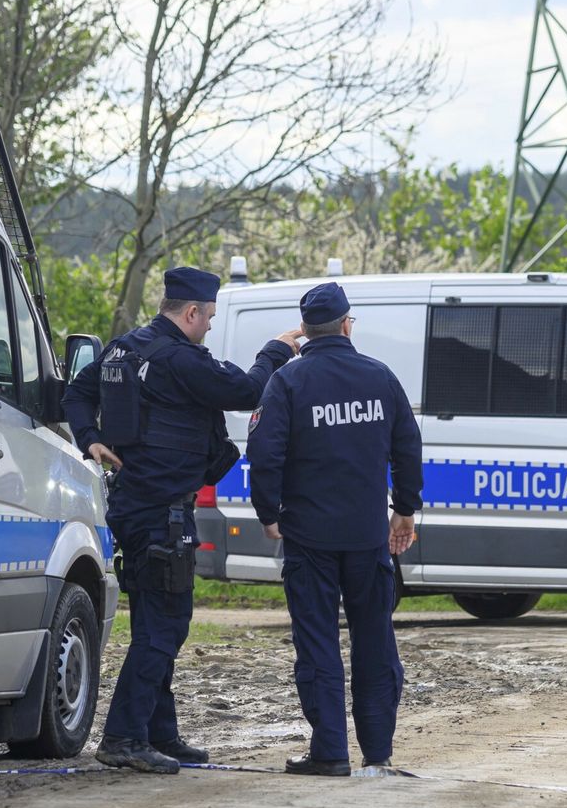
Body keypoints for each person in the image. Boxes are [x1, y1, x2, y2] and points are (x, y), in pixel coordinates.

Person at [63, 266, 301, 774]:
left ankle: (157, 731)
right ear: (191, 312)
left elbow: (76, 393)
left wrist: (89, 438)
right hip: (162, 511)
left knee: (159, 621)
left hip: (139, 505)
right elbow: (247, 390)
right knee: (164, 626)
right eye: (209, 318)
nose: (211, 327)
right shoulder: (177, 359)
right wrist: (276, 350)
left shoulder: (125, 348)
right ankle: (125, 736)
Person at [246, 281, 423, 777]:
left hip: (309, 540)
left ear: (304, 332)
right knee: (374, 641)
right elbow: (408, 447)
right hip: (368, 539)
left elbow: (263, 452)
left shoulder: (287, 382)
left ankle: (329, 752)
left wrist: (268, 513)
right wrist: (404, 509)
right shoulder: (380, 378)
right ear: (348, 325)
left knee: (319, 644)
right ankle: (378, 753)